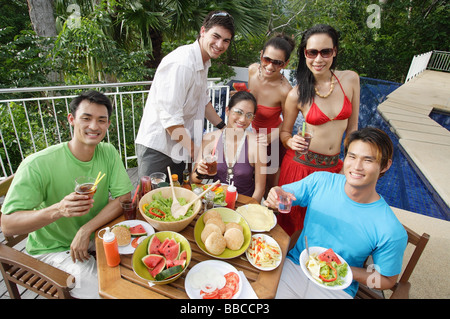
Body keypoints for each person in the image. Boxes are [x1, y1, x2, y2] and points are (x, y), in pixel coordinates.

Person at [1, 91, 133, 299]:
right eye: (86, 118)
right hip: (53, 249)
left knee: (140, 256)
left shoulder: (107, 152)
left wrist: (85, 229)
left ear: (108, 125)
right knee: (110, 292)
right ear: (71, 120)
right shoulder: (37, 164)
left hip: (93, 233)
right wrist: (58, 209)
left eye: (101, 120)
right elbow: (7, 225)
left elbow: (124, 197)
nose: (94, 126)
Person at [264, 127, 407, 299]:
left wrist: (345, 271)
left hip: (338, 288)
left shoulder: (390, 229)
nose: (357, 166)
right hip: (295, 268)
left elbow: (387, 280)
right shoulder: (320, 181)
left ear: (385, 166)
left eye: (368, 160)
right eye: (352, 157)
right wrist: (276, 194)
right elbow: (283, 194)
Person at [277, 24, 360, 237]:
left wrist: (349, 165)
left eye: (326, 51)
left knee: (321, 228)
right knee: (290, 228)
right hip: (300, 168)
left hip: (333, 169)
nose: (318, 58)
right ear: (305, 53)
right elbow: (284, 133)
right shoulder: (297, 93)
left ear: (335, 51)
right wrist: (290, 142)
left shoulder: (350, 79)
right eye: (312, 52)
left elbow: (353, 129)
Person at [135, 11, 235, 181]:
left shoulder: (203, 62)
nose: (220, 44)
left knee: (177, 199)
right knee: (150, 200)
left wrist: (224, 129)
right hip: (159, 148)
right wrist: (197, 153)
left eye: (226, 40)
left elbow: (203, 101)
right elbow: (171, 121)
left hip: (179, 146)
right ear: (203, 31)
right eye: (216, 36)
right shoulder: (182, 64)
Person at [191, 91, 266, 203]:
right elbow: (194, 180)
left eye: (249, 115)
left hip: (243, 204)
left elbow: (260, 190)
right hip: (214, 201)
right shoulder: (209, 139)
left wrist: (247, 210)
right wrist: (199, 172)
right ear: (227, 111)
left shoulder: (257, 145)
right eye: (238, 112)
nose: (242, 119)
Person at [247, 33, 295, 196]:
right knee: (248, 181)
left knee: (269, 189)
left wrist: (269, 138)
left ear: (285, 64)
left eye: (277, 63)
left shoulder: (285, 90)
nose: (269, 66)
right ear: (261, 55)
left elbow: (288, 123)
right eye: (266, 59)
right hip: (252, 136)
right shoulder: (252, 71)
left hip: (273, 141)